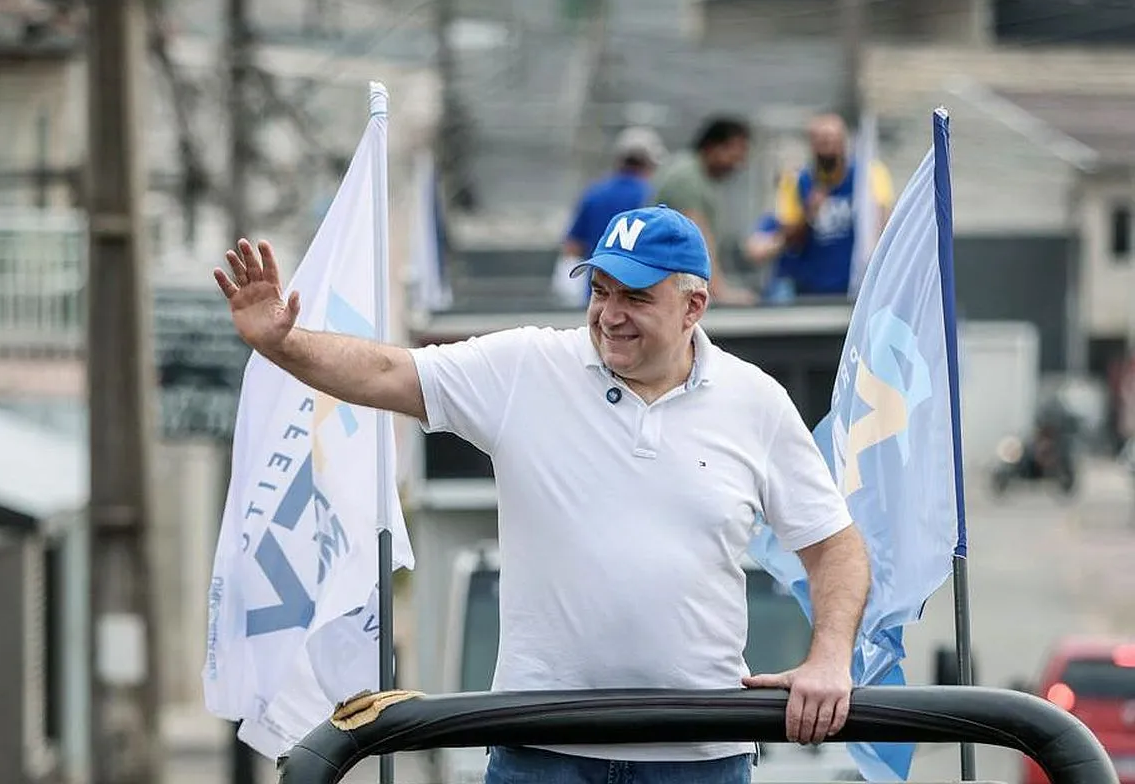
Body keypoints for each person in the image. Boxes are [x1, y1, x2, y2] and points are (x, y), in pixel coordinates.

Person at [213, 205, 871, 784]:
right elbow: (390, 371)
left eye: (635, 297)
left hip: (700, 756)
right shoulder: (526, 368)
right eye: (601, 289)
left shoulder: (755, 401)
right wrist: (285, 344)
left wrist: (829, 658)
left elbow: (835, 546)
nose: (609, 315)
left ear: (693, 306)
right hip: (540, 753)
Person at [772, 113, 894, 296]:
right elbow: (788, 240)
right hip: (810, 288)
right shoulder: (796, 181)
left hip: (857, 285)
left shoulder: (869, 175)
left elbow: (884, 223)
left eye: (832, 141)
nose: (828, 150)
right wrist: (808, 214)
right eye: (821, 142)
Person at [552, 127, 668, 307]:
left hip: (597, 295)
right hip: (638, 297)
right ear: (649, 164)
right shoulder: (651, 197)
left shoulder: (594, 193)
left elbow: (573, 246)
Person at [651, 116, 757, 306]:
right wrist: (719, 291)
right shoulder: (687, 178)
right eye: (734, 154)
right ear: (713, 146)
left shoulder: (700, 177)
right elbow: (699, 237)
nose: (738, 163)